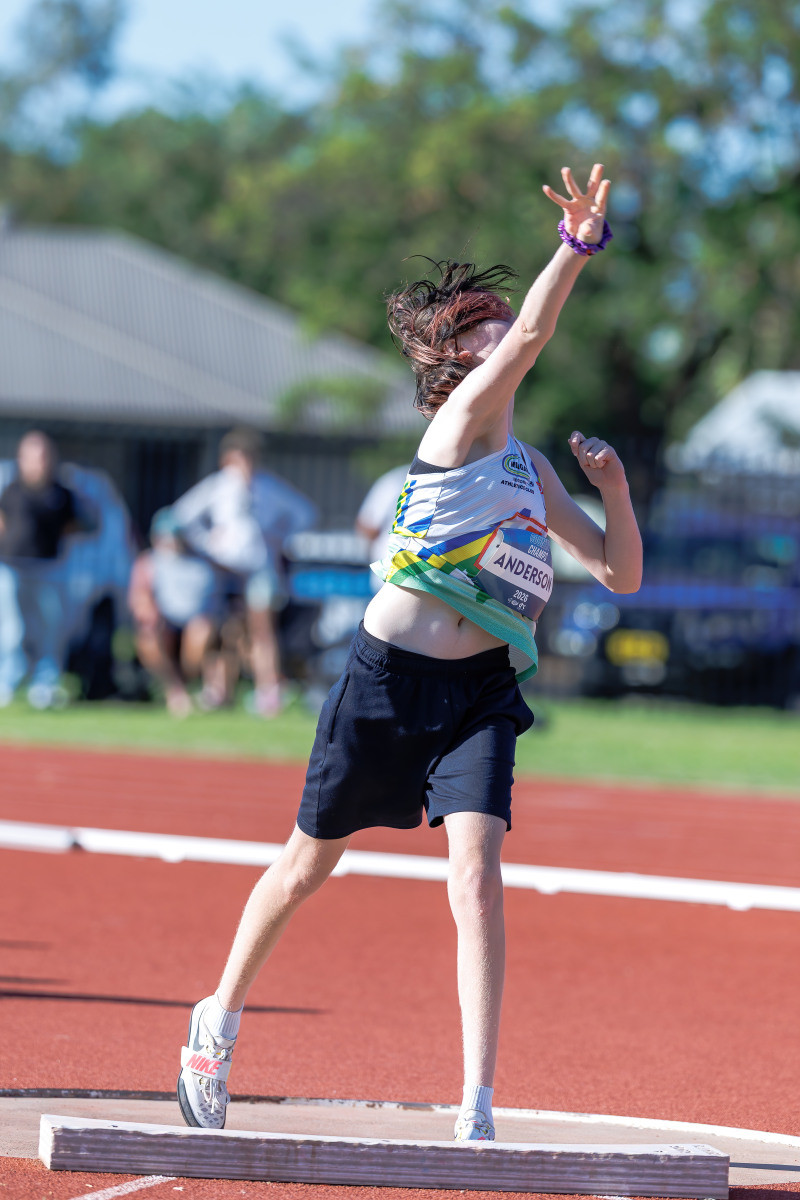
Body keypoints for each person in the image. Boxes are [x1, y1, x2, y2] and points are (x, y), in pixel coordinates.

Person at [176, 164, 643, 1139]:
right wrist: (575, 246)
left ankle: (476, 1104)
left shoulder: (528, 467)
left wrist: (614, 492)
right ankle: (215, 1019)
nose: (503, 335)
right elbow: (532, 334)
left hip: (482, 690)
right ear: (455, 361)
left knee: (475, 876)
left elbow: (618, 573)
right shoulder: (457, 427)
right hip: (386, 683)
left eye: (498, 323)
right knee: (307, 864)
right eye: (482, 329)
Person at [171, 429, 317, 715]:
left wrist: (279, 537)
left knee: (262, 630)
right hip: (225, 569)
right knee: (221, 632)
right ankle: (217, 689)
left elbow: (305, 513)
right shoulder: (218, 486)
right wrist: (209, 543)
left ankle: (268, 691)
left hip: (259, 568)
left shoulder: (268, 486)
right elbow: (182, 518)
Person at [0, 431, 93, 708]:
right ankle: (8, 680)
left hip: (50, 569)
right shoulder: (10, 489)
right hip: (11, 568)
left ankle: (44, 685)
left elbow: (81, 525)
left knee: (50, 630)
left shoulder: (62, 493)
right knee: (12, 630)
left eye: (43, 456)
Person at [128, 508, 223, 716]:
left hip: (195, 626)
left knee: (202, 631)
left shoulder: (201, 565)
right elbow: (140, 601)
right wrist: (152, 615)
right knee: (148, 637)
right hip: (164, 627)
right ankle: (174, 689)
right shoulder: (148, 563)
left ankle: (191, 684)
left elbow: (214, 605)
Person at [355, 463, 411, 586]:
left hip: (392, 566)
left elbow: (369, 526)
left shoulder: (395, 479)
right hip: (436, 571)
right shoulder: (396, 479)